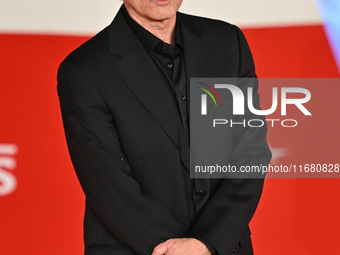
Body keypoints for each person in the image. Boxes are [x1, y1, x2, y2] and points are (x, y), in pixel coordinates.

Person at [57, 0, 271, 254]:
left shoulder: (226, 42)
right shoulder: (85, 70)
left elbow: (250, 153)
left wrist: (207, 243)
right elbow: (111, 189)